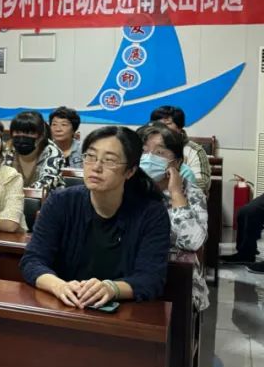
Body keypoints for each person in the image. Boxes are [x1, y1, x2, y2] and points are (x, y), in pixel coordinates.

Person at [20, 126, 171, 307]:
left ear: (130, 171)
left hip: (123, 312)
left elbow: (151, 278)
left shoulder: (151, 213)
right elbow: (32, 260)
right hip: (66, 304)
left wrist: (111, 288)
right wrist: (59, 286)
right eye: (90, 157)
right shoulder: (60, 201)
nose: (96, 167)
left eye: (109, 160)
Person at [138, 123, 209, 310]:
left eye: (159, 153)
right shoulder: (129, 188)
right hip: (134, 272)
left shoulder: (192, 193)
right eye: (143, 151)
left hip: (176, 278)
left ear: (176, 163)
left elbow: (193, 242)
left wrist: (176, 194)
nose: (148, 158)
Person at [2, 110, 65, 191]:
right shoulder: (7, 150)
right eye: (17, 132)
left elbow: (46, 185)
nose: (22, 137)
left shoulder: (53, 153)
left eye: (29, 133)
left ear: (41, 136)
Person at [149, 105, 210, 184]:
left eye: (167, 124)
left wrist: (171, 186)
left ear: (179, 127)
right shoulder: (146, 148)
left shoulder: (195, 151)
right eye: (157, 124)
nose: (161, 128)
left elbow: (202, 184)